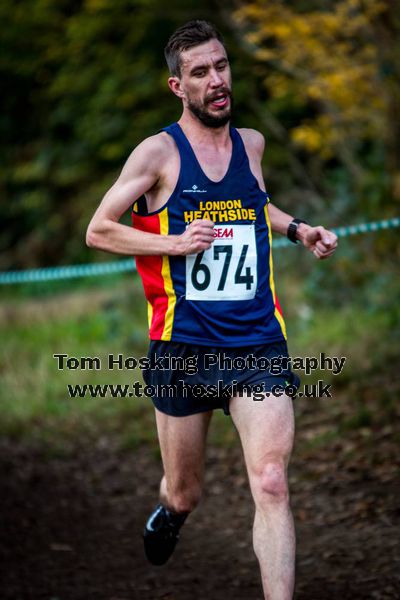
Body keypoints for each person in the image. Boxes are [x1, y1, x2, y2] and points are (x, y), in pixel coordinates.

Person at [86, 20, 338, 600]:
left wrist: (298, 229)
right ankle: (171, 512)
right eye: (200, 72)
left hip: (256, 340)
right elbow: (99, 231)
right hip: (184, 347)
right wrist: (172, 243)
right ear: (178, 86)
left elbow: (257, 207)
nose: (216, 80)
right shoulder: (157, 153)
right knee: (185, 490)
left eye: (221, 66)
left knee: (272, 482)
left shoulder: (252, 144)